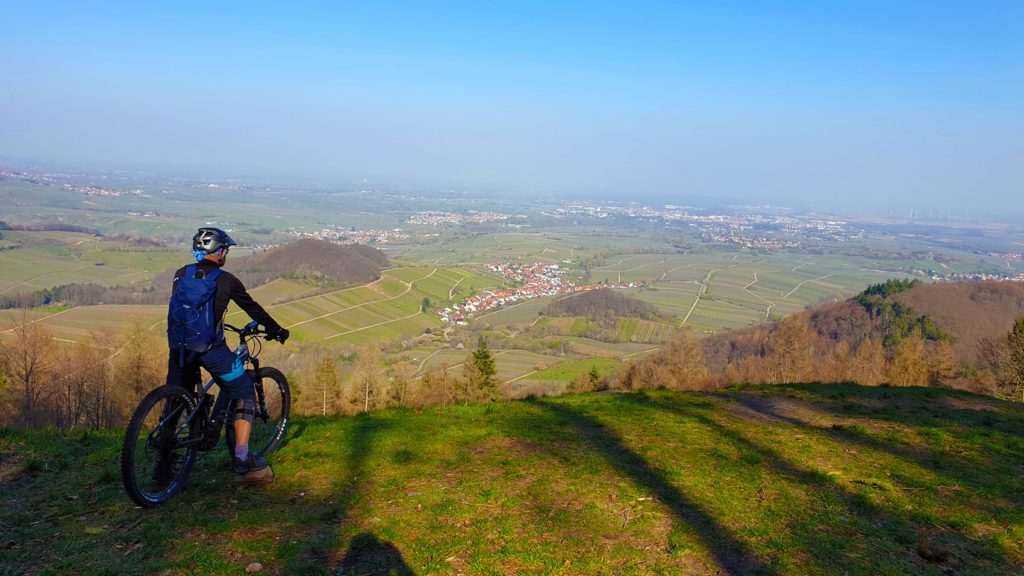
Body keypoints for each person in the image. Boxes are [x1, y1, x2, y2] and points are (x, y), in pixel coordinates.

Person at [165, 227, 289, 482]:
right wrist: (276, 330)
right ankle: (243, 458)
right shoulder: (226, 280)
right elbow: (253, 309)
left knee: (175, 403)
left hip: (179, 348)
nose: (226, 255)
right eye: (226, 251)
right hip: (211, 351)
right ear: (219, 252)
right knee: (243, 389)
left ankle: (163, 467)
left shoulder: (181, 274)